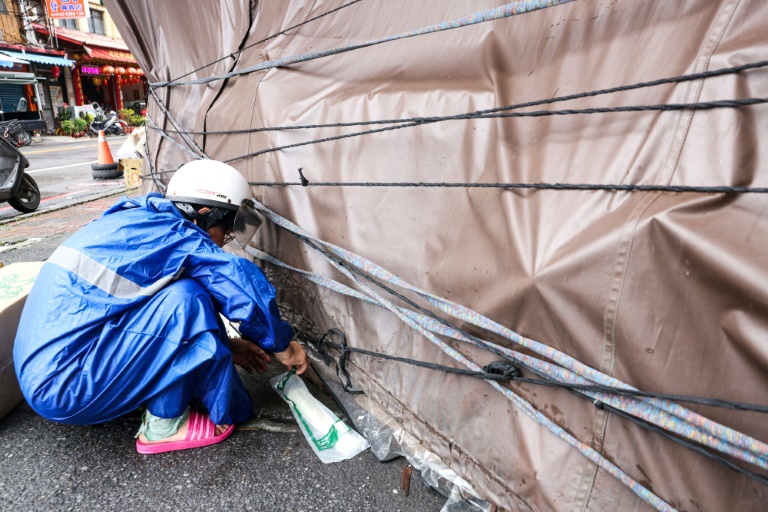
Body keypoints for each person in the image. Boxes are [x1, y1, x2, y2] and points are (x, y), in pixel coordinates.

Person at [13, 160, 309, 454]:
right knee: (187, 299)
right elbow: (238, 284)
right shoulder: (177, 234)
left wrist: (228, 347)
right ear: (205, 213)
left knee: (183, 294)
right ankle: (164, 428)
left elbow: (134, 314)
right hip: (69, 387)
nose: (225, 240)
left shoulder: (140, 221)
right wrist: (283, 345)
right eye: (226, 228)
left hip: (49, 372)